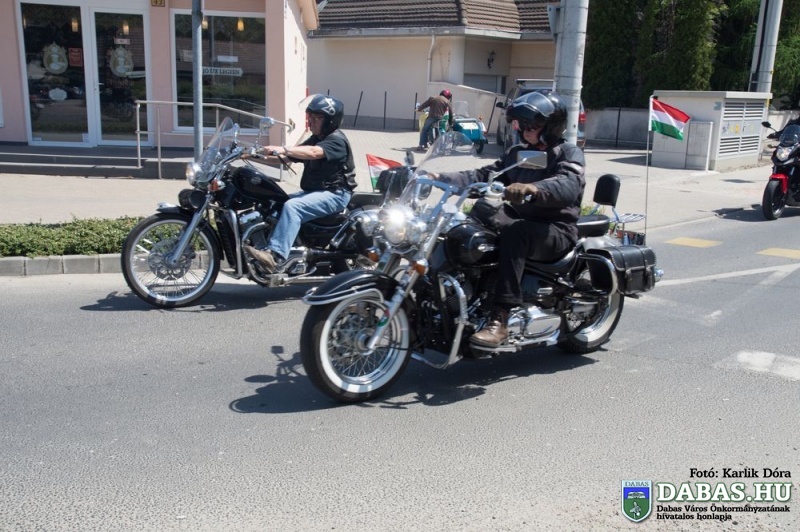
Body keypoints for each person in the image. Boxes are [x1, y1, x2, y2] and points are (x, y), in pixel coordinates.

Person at [439, 91, 586, 348]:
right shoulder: (519, 154)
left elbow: (568, 183)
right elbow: (485, 175)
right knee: (474, 219)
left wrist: (534, 189)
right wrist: (438, 177)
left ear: (551, 126)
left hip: (555, 228)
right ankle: (461, 295)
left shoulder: (568, 152)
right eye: (521, 124)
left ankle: (501, 319)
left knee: (516, 233)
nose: (524, 130)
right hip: (522, 219)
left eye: (532, 125)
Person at [244, 94, 356, 273]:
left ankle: (275, 256)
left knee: (293, 207)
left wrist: (283, 148)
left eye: (317, 117)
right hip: (317, 192)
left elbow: (312, 153)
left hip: (336, 194)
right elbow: (285, 159)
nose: (311, 121)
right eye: (310, 116)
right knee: (277, 202)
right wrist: (252, 155)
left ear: (330, 120)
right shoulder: (317, 138)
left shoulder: (336, 140)